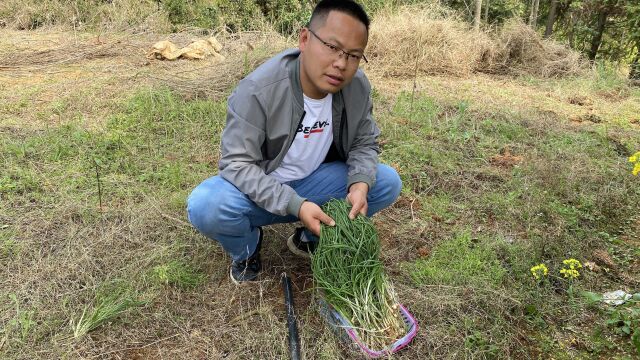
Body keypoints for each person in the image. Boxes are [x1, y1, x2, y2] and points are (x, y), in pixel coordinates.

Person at [187, 0, 401, 285]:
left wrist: (359, 184)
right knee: (206, 205)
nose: (341, 63)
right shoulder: (258, 91)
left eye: (353, 55)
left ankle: (310, 237)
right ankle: (247, 249)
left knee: (385, 181)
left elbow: (364, 141)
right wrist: (295, 205)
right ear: (304, 39)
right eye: (332, 47)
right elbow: (236, 164)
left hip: (315, 180)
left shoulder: (357, 86)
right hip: (261, 189)